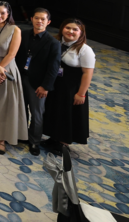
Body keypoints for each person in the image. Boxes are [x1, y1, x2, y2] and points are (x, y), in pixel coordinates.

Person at [43, 19, 94, 156]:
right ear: (62, 29)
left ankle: (63, 143)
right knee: (55, 111)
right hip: (56, 85)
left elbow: (87, 74)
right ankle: (54, 137)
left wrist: (81, 93)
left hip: (72, 89)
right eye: (68, 28)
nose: (70, 31)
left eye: (75, 29)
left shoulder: (85, 50)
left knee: (67, 115)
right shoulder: (57, 43)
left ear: (81, 32)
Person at [15, 8, 61, 156]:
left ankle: (34, 141)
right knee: (20, 110)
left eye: (43, 19)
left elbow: (53, 68)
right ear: (32, 19)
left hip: (38, 84)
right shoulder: (22, 34)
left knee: (37, 114)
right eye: (36, 18)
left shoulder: (53, 43)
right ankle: (22, 135)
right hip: (20, 78)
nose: (39, 21)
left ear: (48, 22)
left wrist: (45, 86)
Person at [0, 1, 27, 155]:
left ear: (8, 14)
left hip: (6, 69)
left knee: (4, 105)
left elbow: (12, 54)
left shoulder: (14, 29)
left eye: (3, 13)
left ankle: (2, 139)